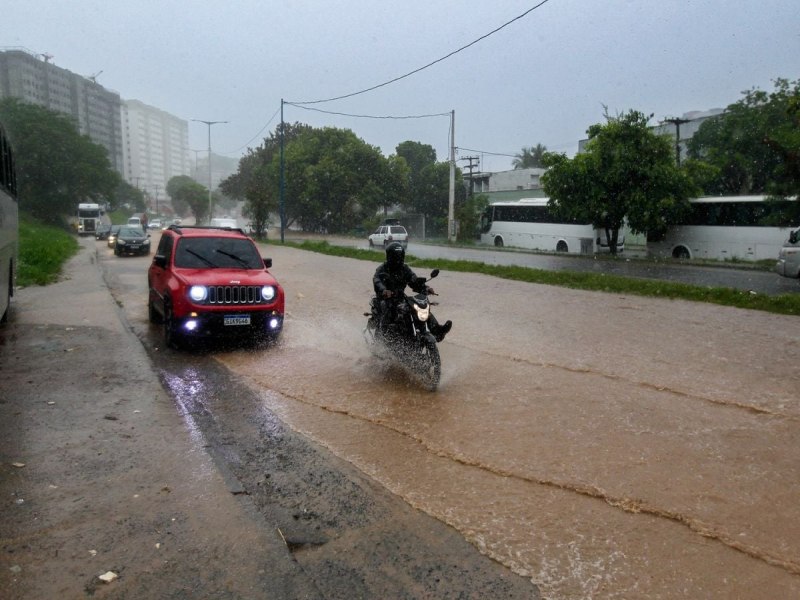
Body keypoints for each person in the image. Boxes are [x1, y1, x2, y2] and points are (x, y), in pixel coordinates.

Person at [372, 242, 452, 342]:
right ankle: (383, 339)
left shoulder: (405, 269)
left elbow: (413, 280)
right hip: (385, 298)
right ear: (390, 256)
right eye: (396, 256)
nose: (399, 258)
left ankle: (437, 329)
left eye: (400, 256)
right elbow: (377, 281)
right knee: (387, 309)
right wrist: (384, 290)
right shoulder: (382, 269)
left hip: (400, 297)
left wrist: (425, 288)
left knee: (420, 308)